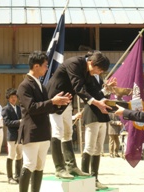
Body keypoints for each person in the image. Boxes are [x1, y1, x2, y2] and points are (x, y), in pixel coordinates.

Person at [46, 51, 114, 179]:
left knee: (68, 132)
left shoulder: (87, 70)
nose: (99, 73)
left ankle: (71, 166)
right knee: (57, 131)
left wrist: (102, 101)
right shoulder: (74, 63)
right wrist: (97, 103)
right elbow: (78, 88)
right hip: (55, 99)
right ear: (91, 63)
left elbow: (92, 89)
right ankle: (59, 168)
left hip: (67, 101)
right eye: (99, 70)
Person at [17, 51, 72, 192]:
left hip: (43, 131)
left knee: (39, 166)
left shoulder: (40, 85)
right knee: (29, 164)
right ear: (36, 66)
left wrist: (60, 103)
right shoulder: (24, 86)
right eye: (45, 65)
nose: (47, 68)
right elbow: (32, 108)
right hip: (32, 131)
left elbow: (46, 108)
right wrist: (52, 101)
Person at [81, 74, 113, 190]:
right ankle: (84, 179)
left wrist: (106, 89)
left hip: (102, 115)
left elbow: (99, 95)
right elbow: (90, 96)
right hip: (91, 114)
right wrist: (104, 90)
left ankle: (94, 178)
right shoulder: (86, 76)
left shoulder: (99, 78)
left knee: (98, 148)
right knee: (89, 147)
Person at [2, 88, 22, 184]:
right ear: (8, 98)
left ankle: (18, 175)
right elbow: (7, 122)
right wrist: (19, 122)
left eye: (15, 97)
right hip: (12, 136)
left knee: (20, 155)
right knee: (11, 155)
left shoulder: (19, 108)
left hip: (20, 135)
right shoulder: (5, 109)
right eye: (12, 97)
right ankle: (10, 178)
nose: (14, 99)